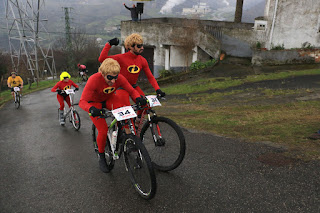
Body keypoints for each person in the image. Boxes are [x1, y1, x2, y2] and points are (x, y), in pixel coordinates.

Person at [79, 58, 146, 173]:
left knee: (126, 111)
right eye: (110, 78)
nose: (113, 81)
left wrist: (138, 98)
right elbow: (82, 101)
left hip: (109, 98)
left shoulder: (118, 78)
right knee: (103, 129)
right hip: (94, 103)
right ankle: (101, 156)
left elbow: (131, 90)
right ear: (103, 74)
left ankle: (128, 138)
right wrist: (91, 109)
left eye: (116, 77)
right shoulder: (94, 79)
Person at [98, 33, 166, 126]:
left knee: (145, 104)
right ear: (130, 47)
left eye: (142, 45)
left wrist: (158, 89)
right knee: (126, 112)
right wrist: (109, 44)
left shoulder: (142, 60)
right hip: (121, 87)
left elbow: (150, 77)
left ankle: (137, 121)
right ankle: (124, 131)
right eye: (139, 46)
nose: (142, 48)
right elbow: (102, 59)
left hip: (133, 86)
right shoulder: (121, 58)